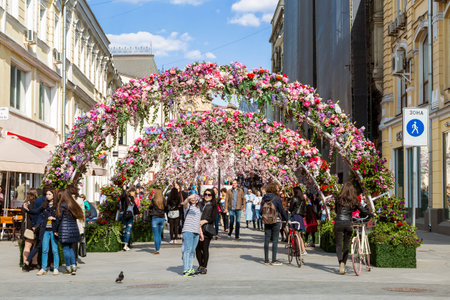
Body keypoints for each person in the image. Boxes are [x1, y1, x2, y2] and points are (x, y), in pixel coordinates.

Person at [334, 182, 374, 275]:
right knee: (346, 245)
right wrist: (371, 214)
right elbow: (362, 210)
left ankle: (341, 263)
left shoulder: (338, 198)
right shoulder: (354, 200)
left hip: (338, 223)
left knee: (338, 245)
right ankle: (344, 262)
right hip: (348, 223)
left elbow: (336, 211)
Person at [56, 189, 84, 275]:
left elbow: (58, 219)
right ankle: (74, 266)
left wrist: (56, 230)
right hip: (73, 229)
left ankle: (68, 267)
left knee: (66, 249)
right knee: (71, 249)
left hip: (64, 230)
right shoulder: (73, 204)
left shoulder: (61, 206)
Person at [32, 189, 60, 276]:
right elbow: (36, 211)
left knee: (55, 250)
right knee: (44, 250)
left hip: (53, 230)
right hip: (45, 230)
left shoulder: (57, 206)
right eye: (47, 194)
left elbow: (60, 218)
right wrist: (27, 209)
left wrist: (54, 218)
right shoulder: (44, 206)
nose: (47, 196)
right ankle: (43, 268)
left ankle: (56, 268)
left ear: (53, 196)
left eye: (49, 194)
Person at [260, 182, 288, 266]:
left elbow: (261, 210)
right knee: (275, 240)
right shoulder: (277, 199)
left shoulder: (264, 198)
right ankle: (274, 260)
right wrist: (287, 219)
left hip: (266, 221)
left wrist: (265, 216)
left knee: (266, 239)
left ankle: (266, 260)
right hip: (276, 220)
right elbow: (282, 210)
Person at [196, 188, 218, 275]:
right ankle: (200, 265)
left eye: (209, 195)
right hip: (197, 228)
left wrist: (204, 221)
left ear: (212, 196)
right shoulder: (199, 204)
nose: (207, 196)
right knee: (197, 248)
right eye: (205, 194)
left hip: (207, 229)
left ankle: (204, 266)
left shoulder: (214, 205)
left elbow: (213, 218)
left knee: (205, 248)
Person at [181, 194, 204, 277]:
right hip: (188, 230)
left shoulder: (199, 209)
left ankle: (190, 268)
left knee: (192, 251)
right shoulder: (187, 207)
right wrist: (189, 197)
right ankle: (185, 270)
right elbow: (184, 203)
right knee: (187, 250)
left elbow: (199, 222)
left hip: (196, 231)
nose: (193, 199)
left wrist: (201, 233)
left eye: (195, 198)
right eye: (192, 198)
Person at [20, 189, 39, 271]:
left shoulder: (25, 203)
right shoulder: (35, 203)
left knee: (27, 245)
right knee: (35, 245)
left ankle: (25, 262)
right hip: (33, 227)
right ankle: (34, 263)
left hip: (25, 227)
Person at [288, 187, 307, 254]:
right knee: (299, 235)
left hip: (295, 216)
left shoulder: (294, 198)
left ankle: (296, 250)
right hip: (300, 217)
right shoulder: (303, 199)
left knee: (295, 234)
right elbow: (305, 209)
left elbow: (290, 208)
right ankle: (303, 250)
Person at [120, 186, 139, 251]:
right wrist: (124, 190)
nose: (129, 192)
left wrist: (136, 216)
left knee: (127, 230)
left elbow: (135, 208)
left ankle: (125, 245)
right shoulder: (123, 199)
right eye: (129, 191)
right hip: (124, 216)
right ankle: (124, 244)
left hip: (130, 216)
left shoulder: (131, 199)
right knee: (125, 230)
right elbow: (122, 197)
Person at [150, 188, 167, 254]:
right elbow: (166, 208)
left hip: (155, 218)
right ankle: (158, 248)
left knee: (156, 235)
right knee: (159, 234)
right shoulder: (164, 200)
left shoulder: (153, 200)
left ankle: (157, 249)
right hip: (162, 218)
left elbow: (150, 207)